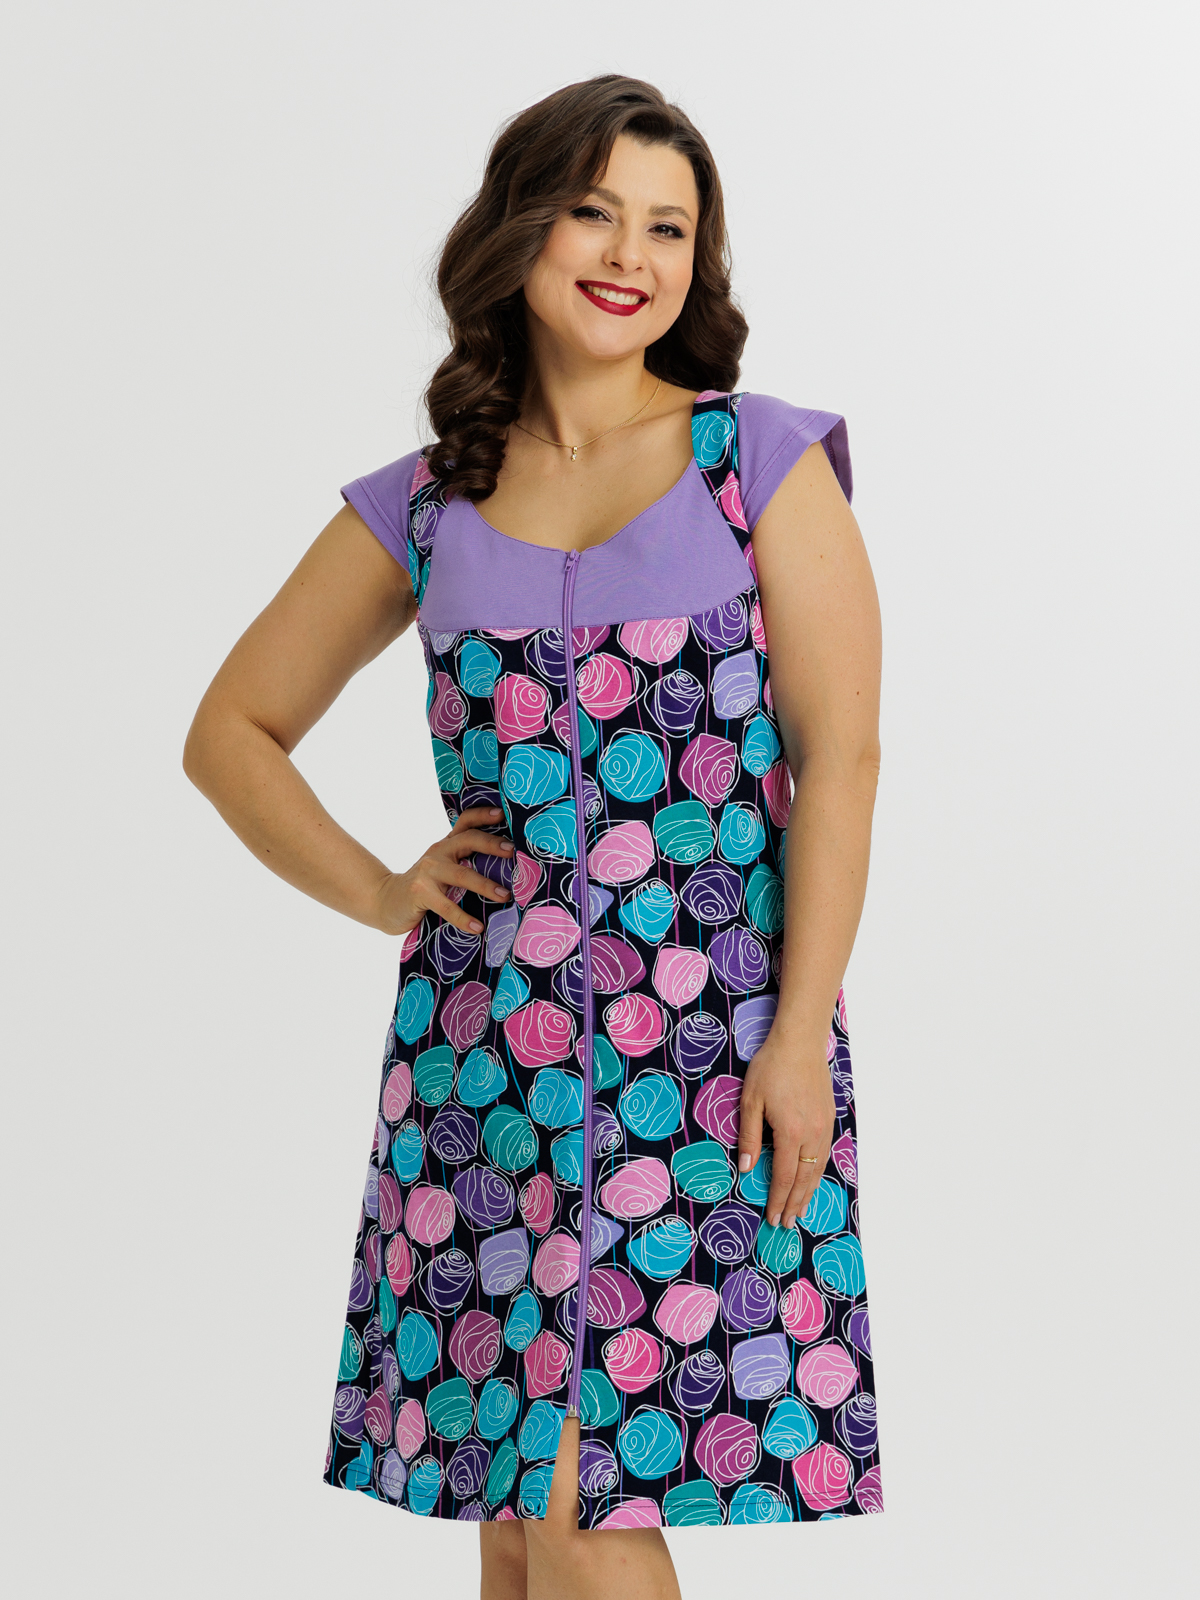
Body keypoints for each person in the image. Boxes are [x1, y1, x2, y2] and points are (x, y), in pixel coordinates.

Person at [184, 73, 884, 1600]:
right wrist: (382, 890)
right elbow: (230, 732)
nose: (631, 253)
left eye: (670, 227)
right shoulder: (426, 505)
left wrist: (799, 1034)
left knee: (578, 1492)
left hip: (705, 1053)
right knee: (514, 1508)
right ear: (521, 228)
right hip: (484, 1055)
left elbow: (840, 762)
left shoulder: (758, 462)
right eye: (594, 211)